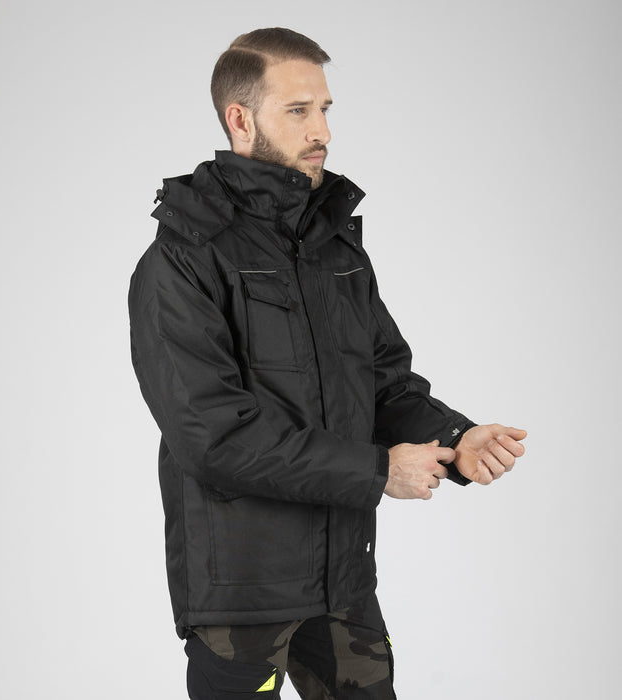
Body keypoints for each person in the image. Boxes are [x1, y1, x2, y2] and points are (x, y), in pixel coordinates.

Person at [128, 27, 527, 700]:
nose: (323, 131)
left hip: (342, 582)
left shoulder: (332, 249)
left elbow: (382, 381)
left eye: (325, 109)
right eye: (298, 110)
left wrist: (456, 437)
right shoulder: (184, 258)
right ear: (240, 120)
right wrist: (378, 471)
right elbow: (212, 436)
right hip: (243, 593)